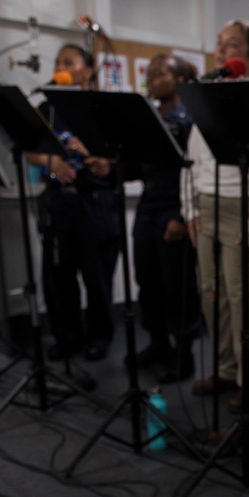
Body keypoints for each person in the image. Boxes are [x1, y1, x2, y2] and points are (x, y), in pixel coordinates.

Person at [182, 20, 249, 413]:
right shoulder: (206, 93)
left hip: (241, 209)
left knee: (244, 299)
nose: (224, 50)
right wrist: (190, 208)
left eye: (234, 45)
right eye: (220, 44)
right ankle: (226, 369)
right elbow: (191, 159)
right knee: (212, 295)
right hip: (206, 205)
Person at [27, 44, 119, 363]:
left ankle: (99, 337)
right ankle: (67, 337)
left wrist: (93, 149)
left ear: (88, 70)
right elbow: (28, 149)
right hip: (57, 205)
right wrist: (50, 160)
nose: (61, 66)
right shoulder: (46, 108)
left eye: (69, 61)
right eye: (57, 61)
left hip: (93, 204)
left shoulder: (102, 107)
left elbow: (119, 154)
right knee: (57, 277)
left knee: (97, 280)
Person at [130, 54, 199, 383]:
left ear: (179, 80)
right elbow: (137, 163)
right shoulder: (148, 117)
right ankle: (158, 345)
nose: (151, 80)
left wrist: (183, 216)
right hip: (148, 202)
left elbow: (193, 172)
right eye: (149, 73)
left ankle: (182, 355)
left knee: (177, 286)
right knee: (147, 279)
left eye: (159, 74)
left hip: (174, 204)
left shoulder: (188, 119)